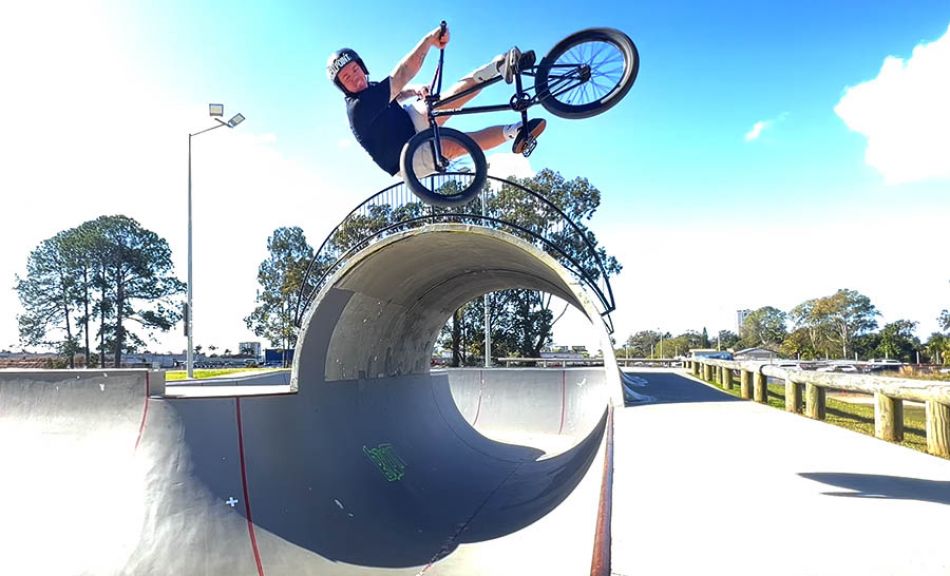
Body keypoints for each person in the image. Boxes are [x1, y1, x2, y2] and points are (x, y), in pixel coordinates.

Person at [327, 23, 545, 178]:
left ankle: (498, 66)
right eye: (347, 77)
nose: (355, 78)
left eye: (355, 70)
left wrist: (414, 90)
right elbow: (402, 74)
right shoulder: (358, 108)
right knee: (454, 145)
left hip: (410, 122)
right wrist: (428, 41)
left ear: (362, 67)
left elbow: (397, 94)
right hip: (406, 159)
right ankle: (515, 131)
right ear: (343, 87)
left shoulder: (372, 89)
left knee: (447, 101)